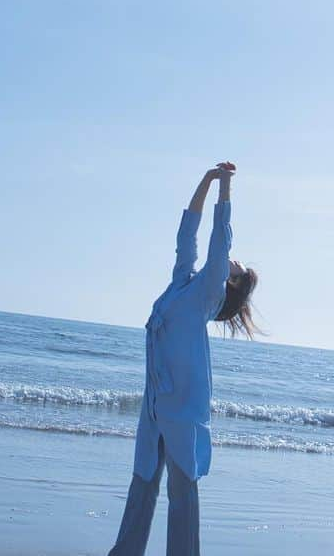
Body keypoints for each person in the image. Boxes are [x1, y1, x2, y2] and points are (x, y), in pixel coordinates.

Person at [108, 162, 260, 556]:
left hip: (184, 407)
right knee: (142, 482)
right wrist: (206, 181)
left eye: (235, 265)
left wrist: (226, 187)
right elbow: (187, 232)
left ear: (230, 282)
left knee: (182, 492)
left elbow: (218, 237)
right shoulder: (181, 282)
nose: (231, 259)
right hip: (156, 401)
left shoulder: (209, 293)